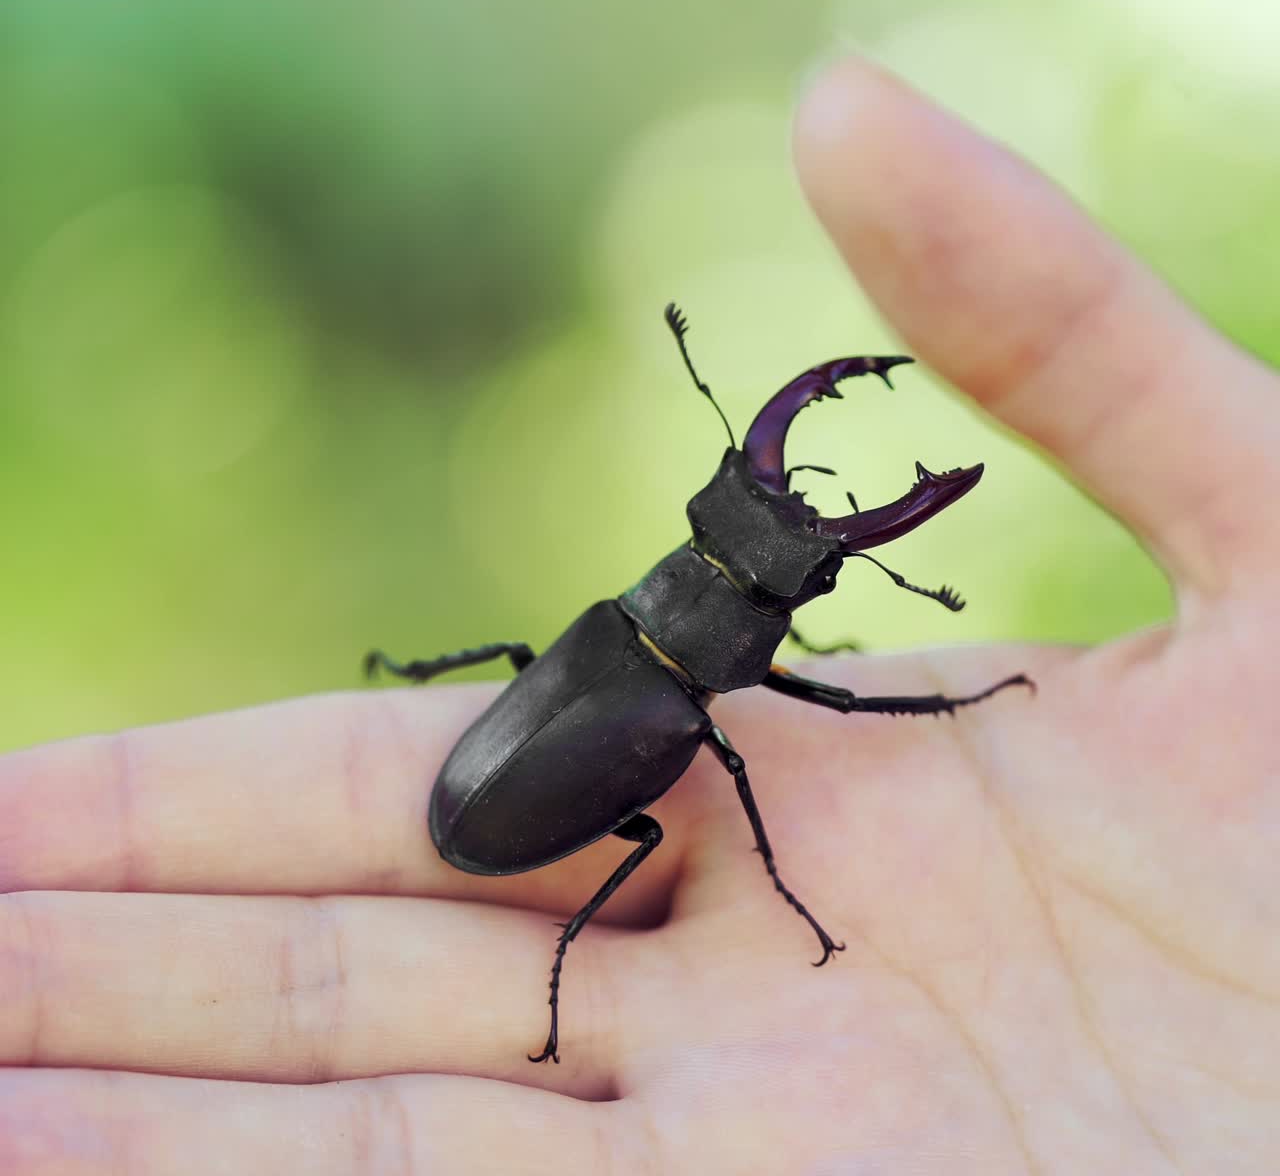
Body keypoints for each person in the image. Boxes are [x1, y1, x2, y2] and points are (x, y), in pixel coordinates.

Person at [3, 58, 1277, 1173]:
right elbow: (817, 691)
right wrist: (795, 847)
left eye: (783, 573)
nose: (768, 539)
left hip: (537, 741)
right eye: (745, 549)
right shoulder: (686, 705)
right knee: (692, 774)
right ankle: (567, 904)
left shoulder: (632, 646)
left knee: (592, 703)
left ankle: (496, 782)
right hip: (505, 787)